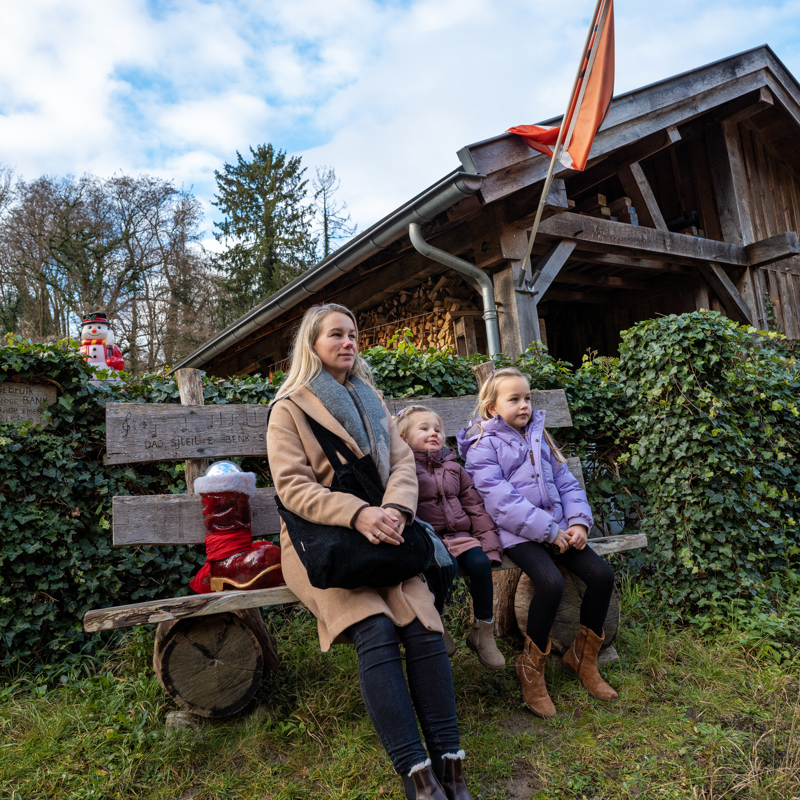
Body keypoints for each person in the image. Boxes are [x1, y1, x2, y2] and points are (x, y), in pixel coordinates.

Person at [267, 303, 475, 800]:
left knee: (424, 627)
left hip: (386, 533)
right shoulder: (289, 408)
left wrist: (397, 512)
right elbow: (292, 487)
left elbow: (403, 463)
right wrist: (358, 513)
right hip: (322, 540)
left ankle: (452, 770)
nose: (347, 342)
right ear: (312, 346)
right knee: (376, 627)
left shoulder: (371, 400)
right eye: (334, 335)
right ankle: (419, 781)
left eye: (352, 334)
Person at [457, 367, 618, 718]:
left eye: (527, 398)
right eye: (514, 399)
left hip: (559, 529)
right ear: (492, 408)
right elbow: (501, 502)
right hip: (517, 535)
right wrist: (549, 531)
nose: (524, 405)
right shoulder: (483, 446)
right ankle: (531, 669)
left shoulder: (538, 439)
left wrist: (577, 524)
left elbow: (567, 484)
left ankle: (582, 658)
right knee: (550, 582)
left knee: (602, 577)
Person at [396, 405, 505, 670]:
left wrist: (489, 545)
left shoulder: (454, 468)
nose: (433, 433)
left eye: (437, 429)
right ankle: (439, 622)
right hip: (431, 540)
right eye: (424, 429)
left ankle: (483, 630)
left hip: (462, 536)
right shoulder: (404, 469)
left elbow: (475, 507)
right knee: (445, 566)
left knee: (480, 565)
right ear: (403, 438)